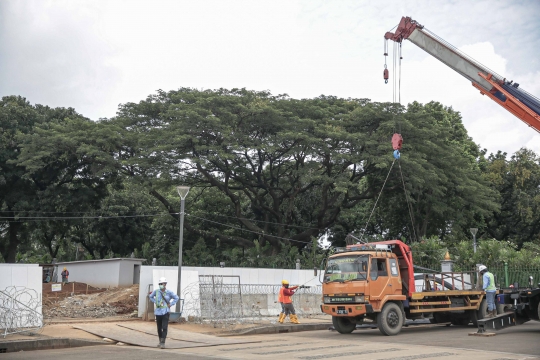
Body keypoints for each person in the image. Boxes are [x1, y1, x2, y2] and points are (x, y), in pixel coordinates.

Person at [149, 277, 179, 349]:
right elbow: (150, 296)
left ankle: (163, 343)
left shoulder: (169, 292)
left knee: (164, 327)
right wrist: (155, 301)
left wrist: (171, 304)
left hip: (165, 312)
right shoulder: (156, 291)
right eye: (160, 284)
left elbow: (176, 298)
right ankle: (160, 341)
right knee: (159, 328)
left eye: (162, 284)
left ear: (165, 284)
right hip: (158, 312)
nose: (161, 285)